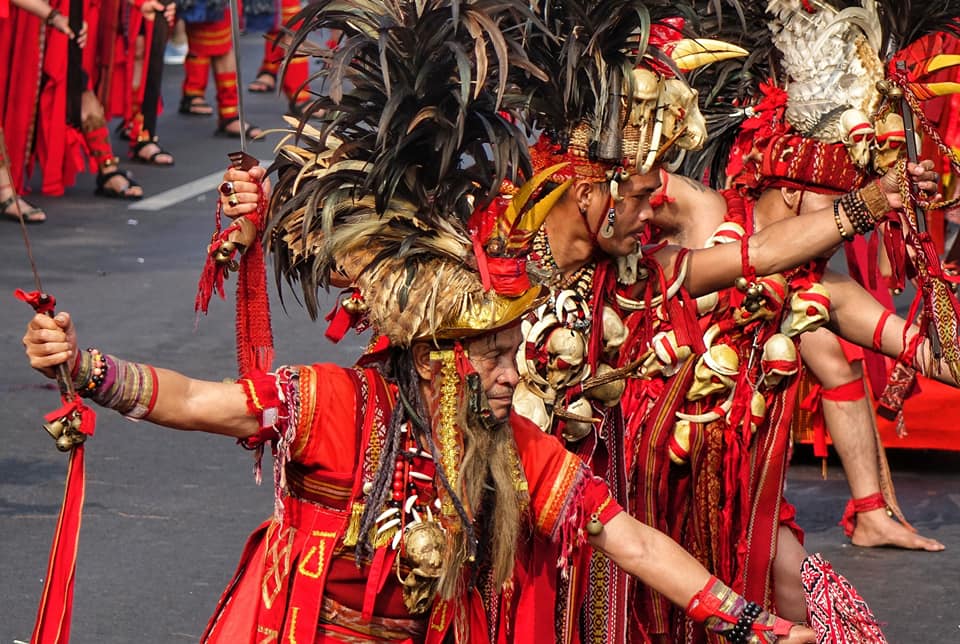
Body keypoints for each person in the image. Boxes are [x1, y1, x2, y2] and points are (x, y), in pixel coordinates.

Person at [20, 4, 815, 641]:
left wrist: (749, 623)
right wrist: (83, 367)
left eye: (515, 353)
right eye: (496, 356)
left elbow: (632, 541)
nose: (514, 371)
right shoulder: (334, 407)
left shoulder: (517, 453)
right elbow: (199, 403)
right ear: (438, 356)